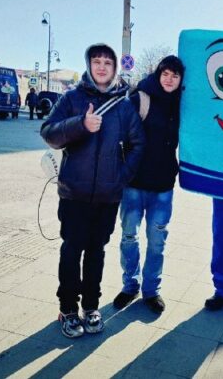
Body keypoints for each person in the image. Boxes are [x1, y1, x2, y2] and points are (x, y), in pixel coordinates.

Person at [40, 43, 145, 338]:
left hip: (107, 196)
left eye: (107, 63)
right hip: (74, 193)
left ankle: (91, 306)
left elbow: (138, 145)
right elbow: (49, 133)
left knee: (96, 252)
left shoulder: (124, 106)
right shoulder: (72, 98)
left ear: (114, 68)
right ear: (89, 65)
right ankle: (67, 309)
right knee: (71, 250)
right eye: (96, 61)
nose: (101, 67)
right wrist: (81, 124)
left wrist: (120, 177)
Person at [113, 55, 184, 314]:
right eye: (165, 74)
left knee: (157, 241)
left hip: (163, 186)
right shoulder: (141, 98)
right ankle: (130, 285)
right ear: (158, 74)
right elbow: (117, 131)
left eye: (175, 75)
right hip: (134, 184)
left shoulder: (182, 104)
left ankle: (151, 290)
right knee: (129, 236)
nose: (169, 79)